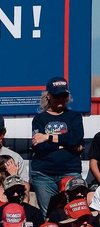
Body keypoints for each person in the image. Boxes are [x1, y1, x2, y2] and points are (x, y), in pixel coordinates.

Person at [29, 77, 85, 213]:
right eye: (56, 96)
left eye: (63, 95)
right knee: (49, 214)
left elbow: (75, 139)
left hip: (70, 171)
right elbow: (40, 147)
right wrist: (65, 144)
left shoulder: (75, 117)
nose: (60, 99)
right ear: (48, 96)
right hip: (43, 175)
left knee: (75, 212)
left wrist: (47, 137)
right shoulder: (39, 119)